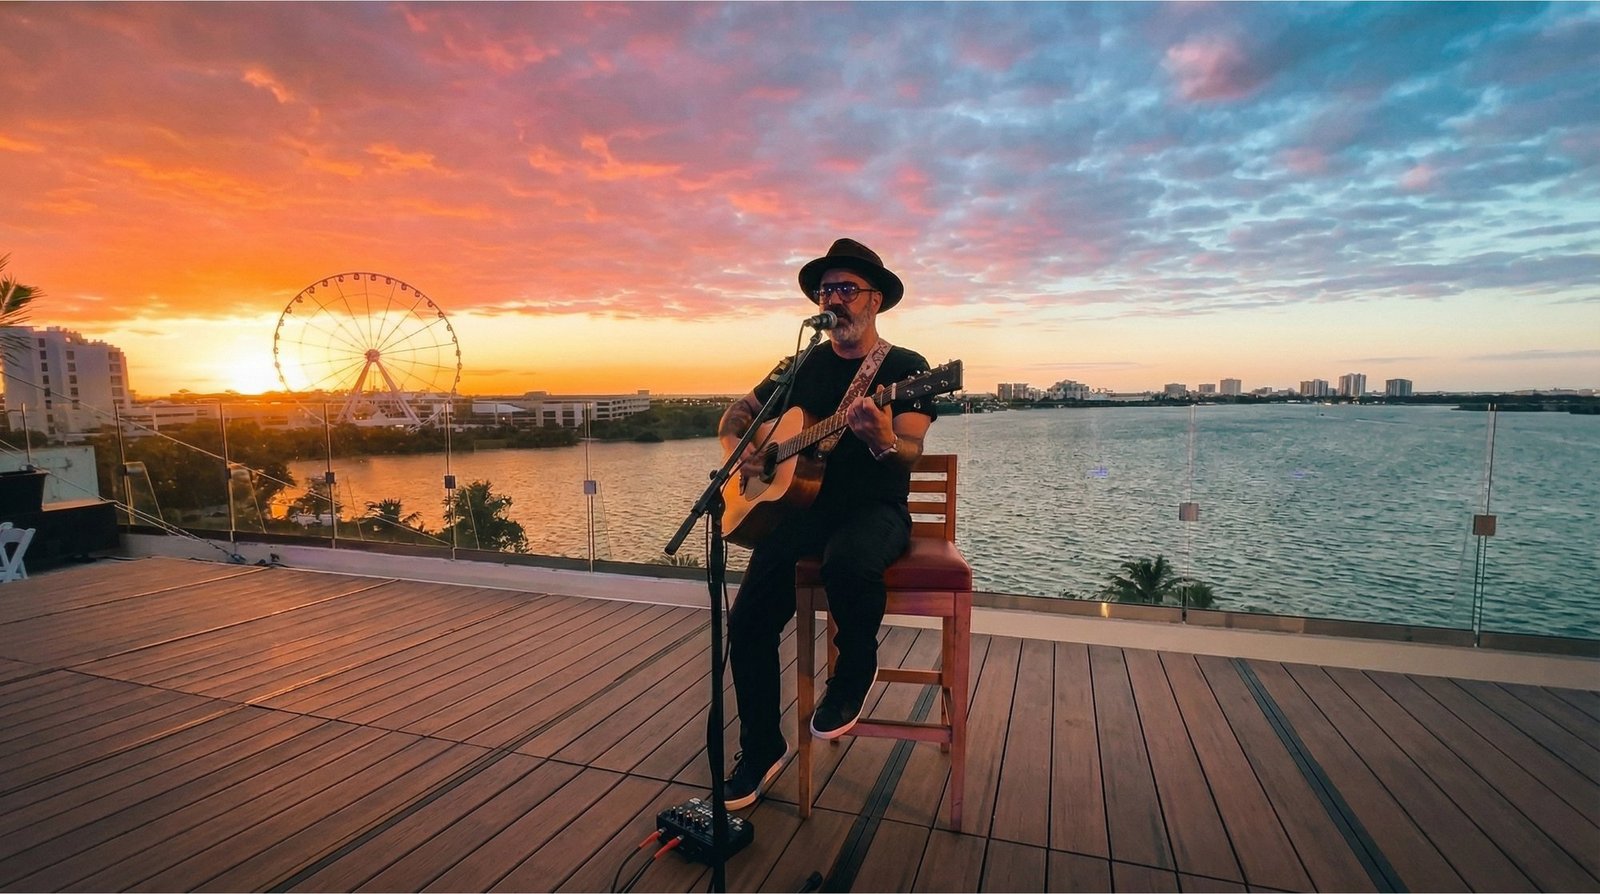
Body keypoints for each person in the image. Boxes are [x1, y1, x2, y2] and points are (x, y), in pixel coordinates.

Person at [717, 237, 938, 809]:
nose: (834, 298)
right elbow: (738, 414)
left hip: (873, 511)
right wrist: (747, 450)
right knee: (748, 620)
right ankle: (763, 748)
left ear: (875, 301)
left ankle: (854, 673)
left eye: (846, 289)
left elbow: (910, 449)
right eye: (827, 289)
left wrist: (884, 439)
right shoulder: (801, 364)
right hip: (798, 510)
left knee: (850, 562)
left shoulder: (906, 370)